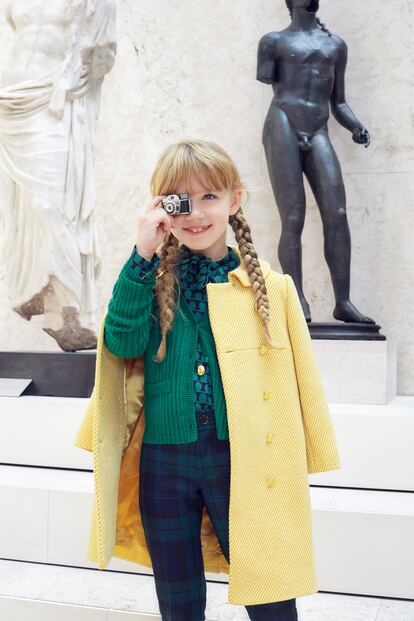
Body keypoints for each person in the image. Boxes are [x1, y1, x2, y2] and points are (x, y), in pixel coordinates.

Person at [75, 139, 341, 621]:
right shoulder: (149, 282)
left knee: (271, 593)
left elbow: (301, 379)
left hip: (241, 458)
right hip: (164, 460)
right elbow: (121, 343)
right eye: (180, 201)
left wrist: (312, 449)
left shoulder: (271, 288)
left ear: (235, 200)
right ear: (161, 208)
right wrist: (141, 253)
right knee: (178, 603)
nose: (195, 213)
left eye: (209, 198)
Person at [0, 0, 116, 351]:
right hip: (10, 103)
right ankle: (52, 305)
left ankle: (70, 308)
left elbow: (102, 53)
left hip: (51, 102)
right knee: (24, 208)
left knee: (50, 203)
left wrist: (72, 84)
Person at [257, 0, 374, 324]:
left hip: (318, 128)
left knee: (337, 212)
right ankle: (297, 299)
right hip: (283, 123)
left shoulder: (335, 45)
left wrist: (355, 126)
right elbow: (272, 84)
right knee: (293, 215)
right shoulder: (273, 42)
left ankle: (343, 301)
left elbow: (339, 101)